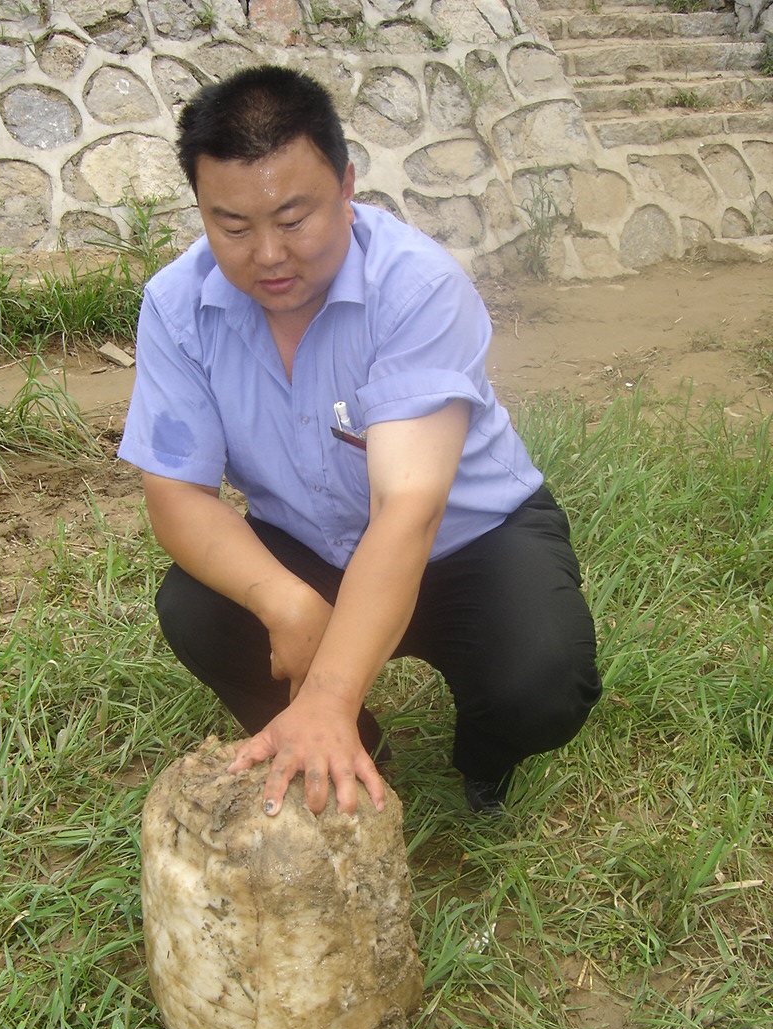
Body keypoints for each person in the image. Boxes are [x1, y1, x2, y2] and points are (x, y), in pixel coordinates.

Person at [118, 64, 602, 820]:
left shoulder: (416, 287)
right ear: (203, 211)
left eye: (293, 217)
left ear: (346, 189)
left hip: (464, 541)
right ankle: (352, 751)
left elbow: (407, 505)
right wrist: (283, 599)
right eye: (233, 227)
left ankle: (482, 761)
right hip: (311, 544)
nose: (268, 255)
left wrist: (332, 687)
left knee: (541, 682)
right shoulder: (178, 306)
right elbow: (176, 495)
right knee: (195, 606)